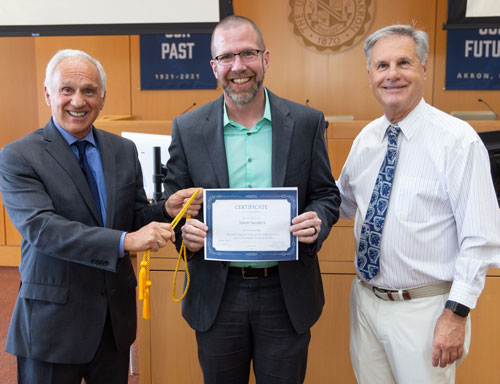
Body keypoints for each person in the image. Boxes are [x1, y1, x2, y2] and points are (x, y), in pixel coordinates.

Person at [0, 49, 201, 384]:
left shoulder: (121, 151)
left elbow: (131, 215)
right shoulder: (18, 156)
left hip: (113, 322)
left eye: (89, 91)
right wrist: (126, 241)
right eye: (67, 90)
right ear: (48, 93)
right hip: (52, 325)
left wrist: (165, 210)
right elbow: (42, 229)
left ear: (103, 98)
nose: (78, 101)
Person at [163, 15, 340, 384]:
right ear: (214, 66)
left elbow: (325, 194)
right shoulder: (188, 128)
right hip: (217, 293)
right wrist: (185, 234)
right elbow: (173, 203)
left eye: (248, 53)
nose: (238, 66)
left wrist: (316, 220)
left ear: (266, 59)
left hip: (285, 292)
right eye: (227, 57)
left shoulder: (307, 122)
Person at [337, 25, 500, 383]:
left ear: (424, 68)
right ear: (369, 75)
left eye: (403, 62)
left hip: (426, 310)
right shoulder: (367, 139)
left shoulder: (457, 142)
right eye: (382, 65)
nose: (392, 74)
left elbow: (481, 239)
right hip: (365, 302)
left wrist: (456, 314)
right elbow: (342, 202)